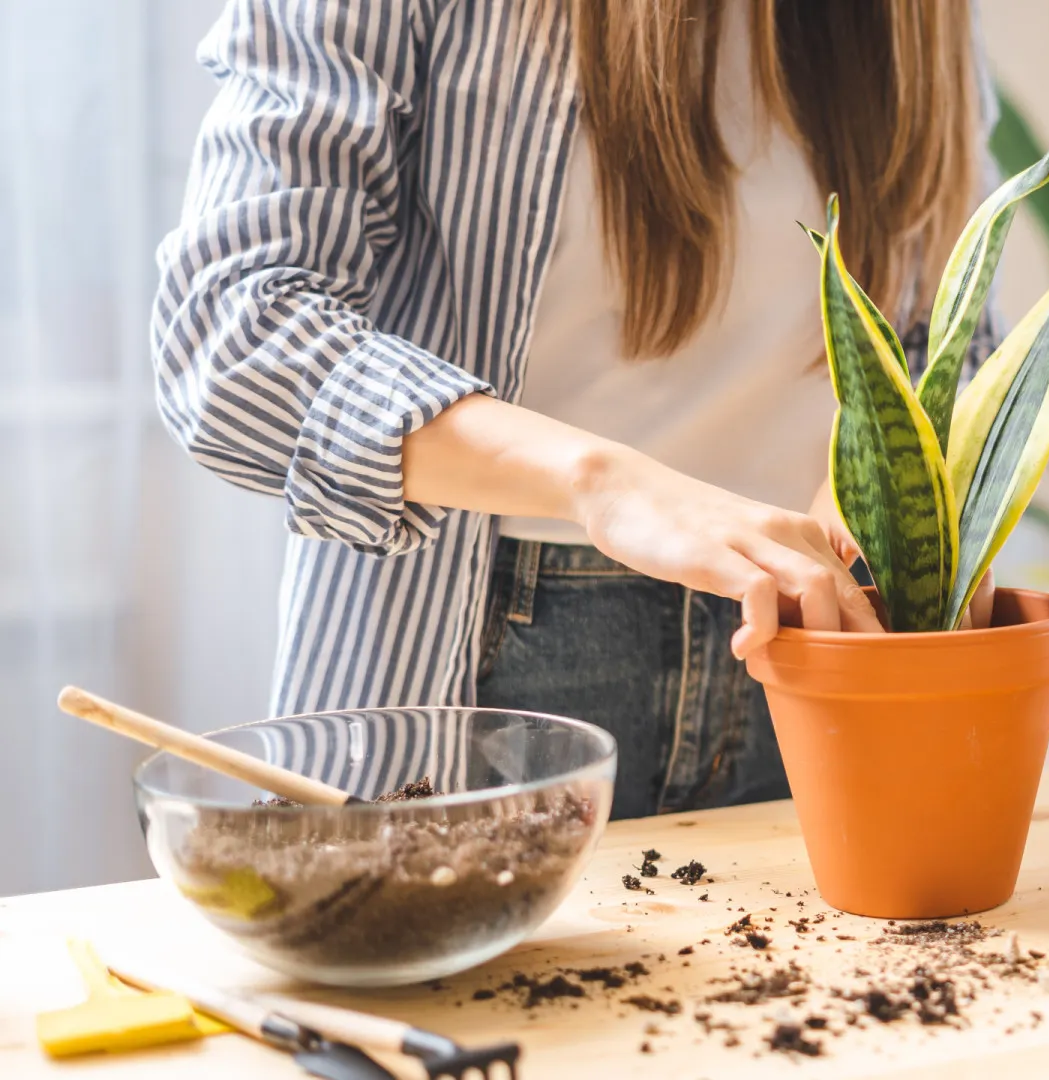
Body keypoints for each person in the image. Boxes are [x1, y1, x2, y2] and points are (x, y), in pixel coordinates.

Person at [153, 0, 1001, 819]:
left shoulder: (921, 17)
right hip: (496, 650)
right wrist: (603, 482)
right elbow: (228, 329)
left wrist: (865, 506)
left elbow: (955, 328)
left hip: (819, 640)